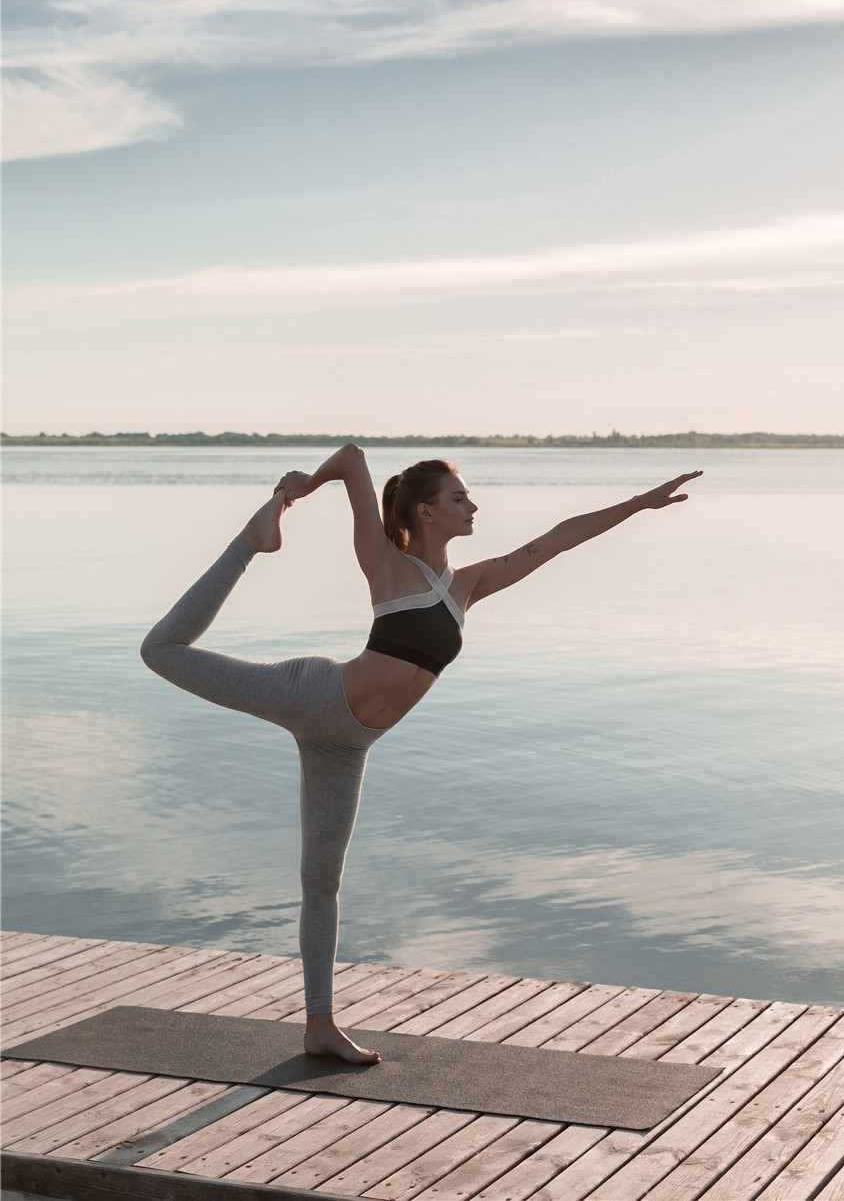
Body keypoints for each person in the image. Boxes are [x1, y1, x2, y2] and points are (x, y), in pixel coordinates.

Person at [141, 445, 700, 1063]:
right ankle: (249, 541)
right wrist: (303, 485)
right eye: (459, 498)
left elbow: (558, 539)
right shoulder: (385, 563)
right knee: (161, 650)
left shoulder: (467, 585)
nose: (473, 506)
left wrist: (640, 503)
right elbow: (353, 458)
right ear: (426, 512)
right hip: (312, 695)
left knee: (321, 880)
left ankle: (320, 1026)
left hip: (350, 741)